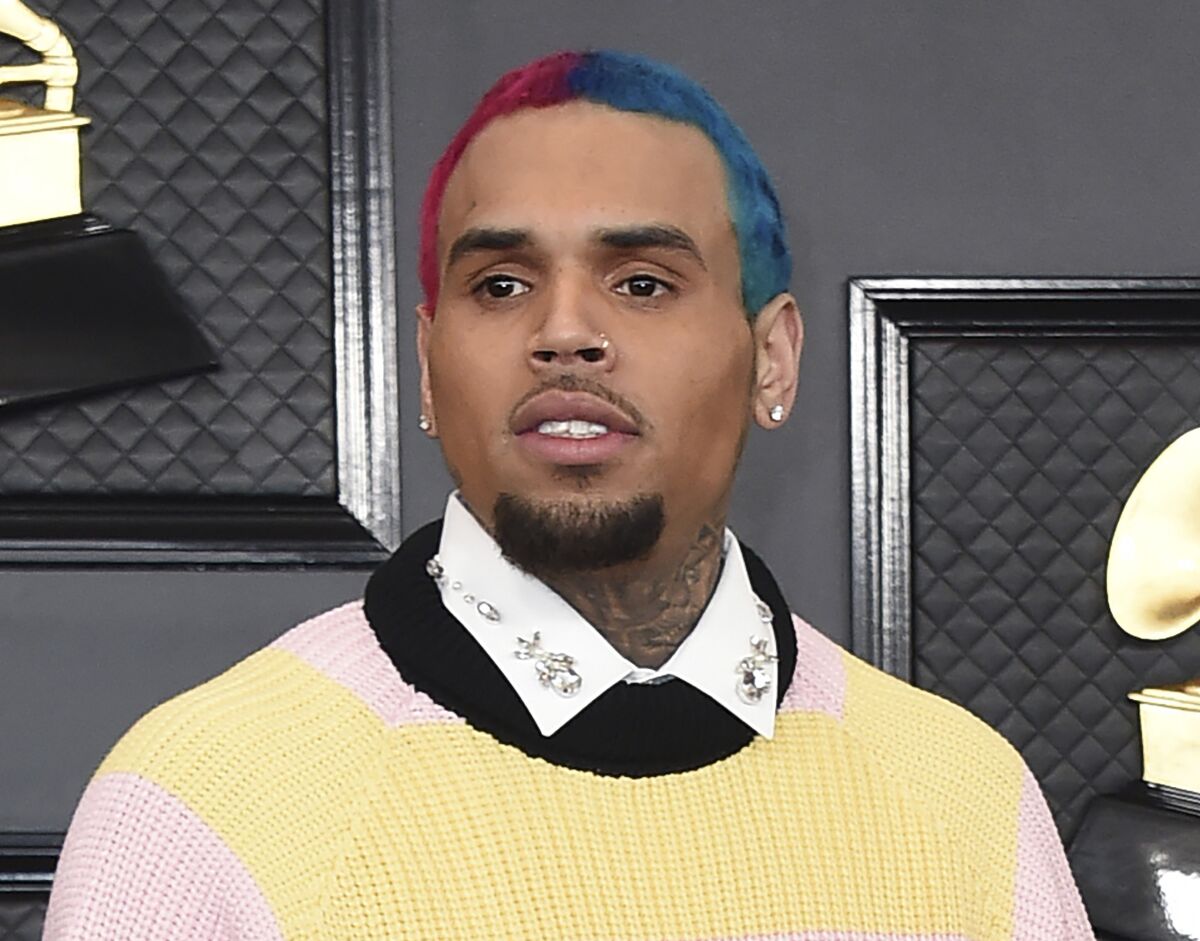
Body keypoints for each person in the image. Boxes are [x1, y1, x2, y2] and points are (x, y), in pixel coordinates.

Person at [44, 50, 1094, 940]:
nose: (564, 332)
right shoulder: (199, 807)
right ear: (427, 367)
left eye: (641, 282)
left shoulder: (966, 798)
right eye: (501, 284)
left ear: (772, 359)